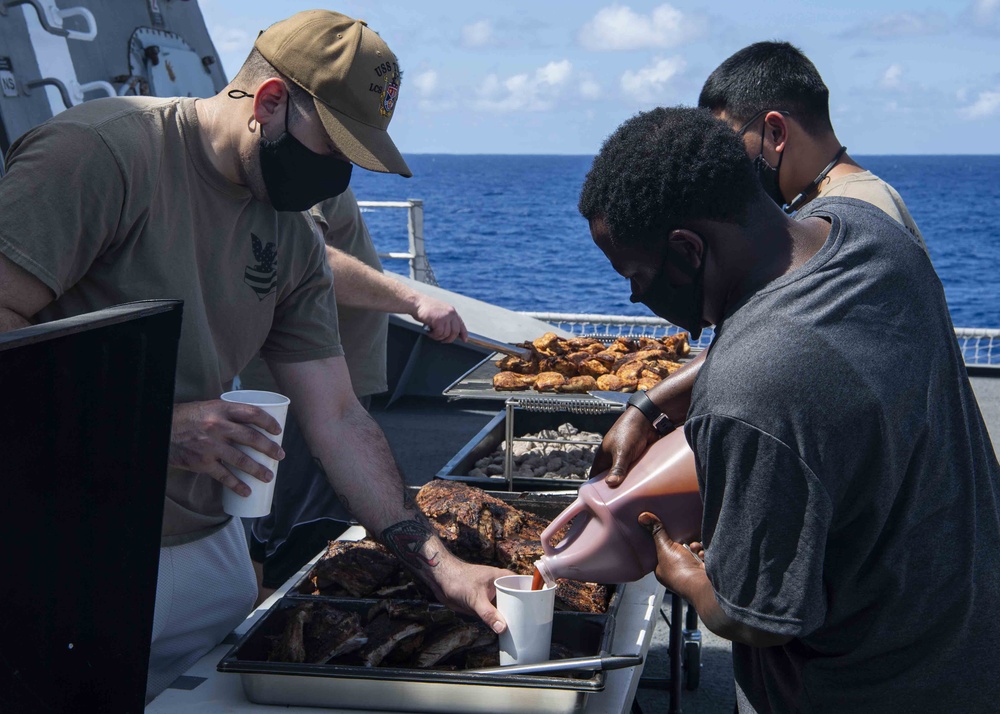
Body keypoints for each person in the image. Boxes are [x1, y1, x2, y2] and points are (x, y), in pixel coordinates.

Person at [0, 10, 507, 703]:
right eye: (331, 152)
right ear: (270, 103)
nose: (334, 179)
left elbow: (336, 416)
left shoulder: (293, 235)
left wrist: (437, 564)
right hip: (63, 550)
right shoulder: (101, 156)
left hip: (213, 555)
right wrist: (152, 424)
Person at [578, 106, 1000, 712]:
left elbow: (759, 617)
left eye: (637, 274)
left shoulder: (747, 394)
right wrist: (647, 406)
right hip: (968, 632)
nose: (634, 295)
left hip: (869, 685)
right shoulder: (867, 231)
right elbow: (781, 323)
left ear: (687, 250)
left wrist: (684, 576)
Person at [593, 40, 929, 484]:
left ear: (775, 132)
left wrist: (651, 407)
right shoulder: (840, 208)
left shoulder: (856, 210)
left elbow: (786, 346)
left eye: (727, 143)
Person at [241, 188, 468, 599]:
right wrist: (414, 300)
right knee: (298, 537)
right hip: (312, 387)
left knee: (286, 530)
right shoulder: (315, 163)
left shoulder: (318, 160)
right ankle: (275, 638)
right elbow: (312, 256)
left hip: (324, 382)